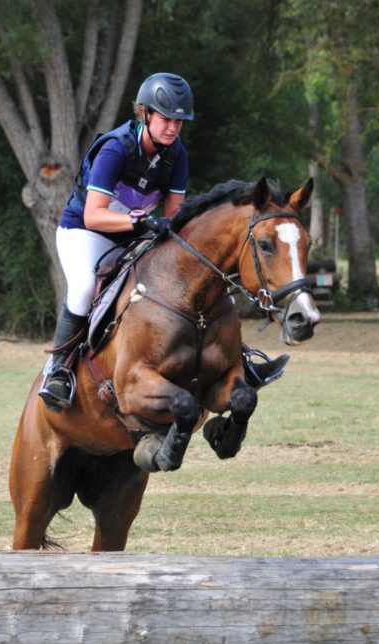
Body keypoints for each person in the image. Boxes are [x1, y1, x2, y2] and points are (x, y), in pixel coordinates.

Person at [38, 72, 287, 412]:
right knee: (83, 287)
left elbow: (175, 215)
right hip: (86, 233)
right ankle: (59, 371)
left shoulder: (175, 155)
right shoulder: (115, 149)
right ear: (145, 114)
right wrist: (138, 221)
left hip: (136, 231)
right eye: (166, 119)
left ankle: (237, 360)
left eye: (179, 122)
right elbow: (93, 215)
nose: (172, 127)